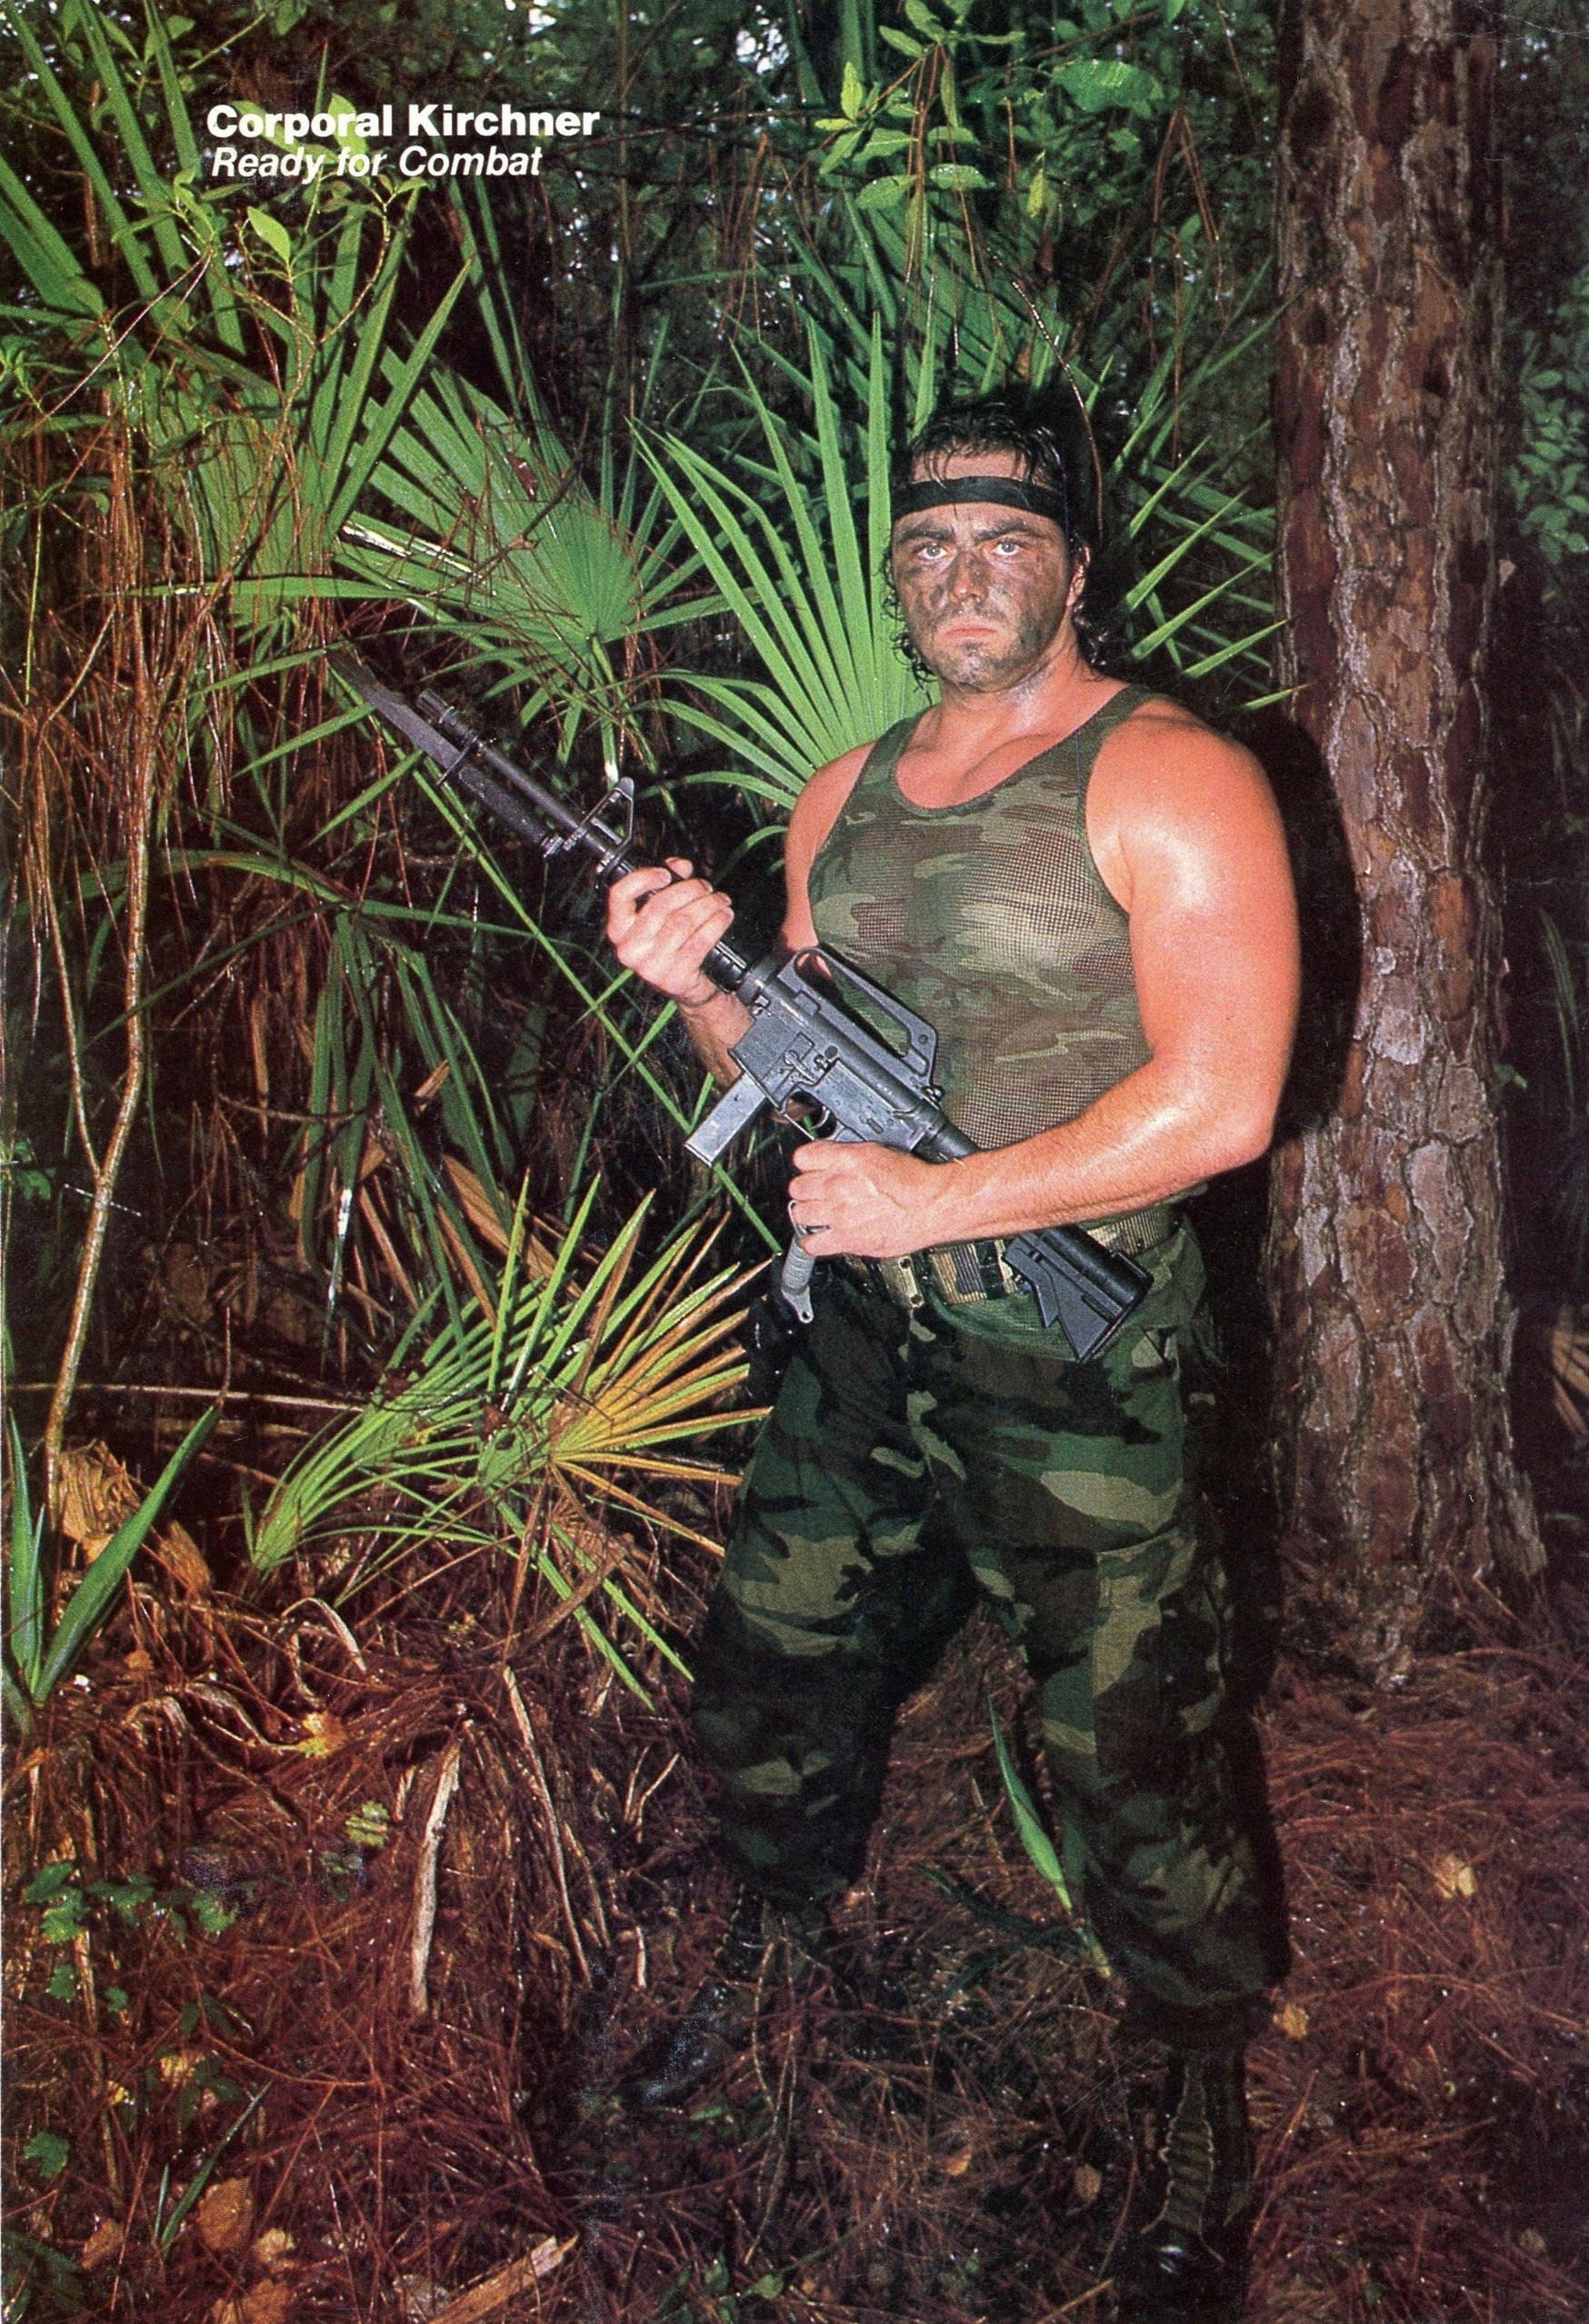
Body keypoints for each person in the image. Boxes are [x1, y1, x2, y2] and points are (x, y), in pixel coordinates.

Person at [605, 392, 1300, 2321]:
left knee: (1132, 1733)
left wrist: (943, 1201)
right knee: (775, 1648)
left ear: (1075, 568)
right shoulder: (842, 793)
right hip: (861, 1337)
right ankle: (771, 1934)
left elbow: (1225, 1099)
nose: (960, 576)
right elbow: (786, 1060)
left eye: (1004, 543)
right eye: (927, 547)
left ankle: (1191, 2069)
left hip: (1079, 1364)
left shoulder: (1172, 775)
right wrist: (693, 983)